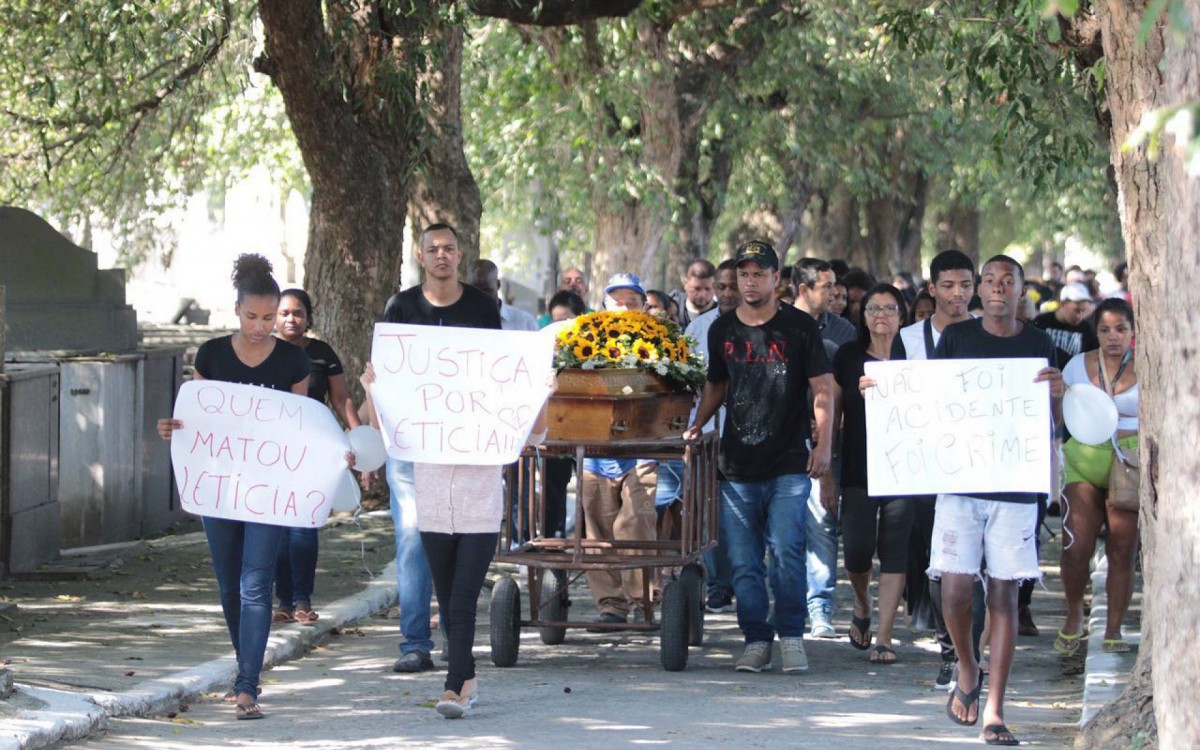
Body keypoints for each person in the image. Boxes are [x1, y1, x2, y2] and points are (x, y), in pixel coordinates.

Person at [156, 254, 348, 721]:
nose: (261, 327)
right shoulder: (211, 354)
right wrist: (172, 428)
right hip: (219, 487)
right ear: (237, 310)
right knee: (229, 588)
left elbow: (303, 427)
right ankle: (245, 667)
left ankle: (247, 686)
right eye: (251, 317)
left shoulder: (294, 360)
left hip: (270, 491)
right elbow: (197, 417)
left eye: (268, 317)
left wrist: (335, 453)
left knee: (256, 584)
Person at [926, 255, 1063, 746]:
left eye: (1008, 281)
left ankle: (996, 710)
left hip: (1016, 486)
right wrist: (881, 394)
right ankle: (968, 666)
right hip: (961, 483)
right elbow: (927, 401)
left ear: (1022, 290)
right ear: (978, 290)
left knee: (1004, 594)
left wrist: (1057, 394)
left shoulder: (1038, 342)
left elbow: (1051, 421)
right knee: (955, 590)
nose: (998, 288)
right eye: (990, 280)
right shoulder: (955, 339)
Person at [684, 240, 833, 674]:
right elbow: (716, 384)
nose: (750, 282)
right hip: (736, 466)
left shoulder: (799, 327)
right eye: (743, 274)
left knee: (787, 551)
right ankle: (755, 639)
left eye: (759, 274)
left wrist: (824, 446)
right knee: (744, 562)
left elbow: (823, 388)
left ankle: (791, 636)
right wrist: (698, 423)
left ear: (776, 278)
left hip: (788, 462)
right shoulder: (722, 329)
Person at [374, 222, 505, 716]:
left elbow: (499, 374)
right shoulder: (401, 307)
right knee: (418, 549)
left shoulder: (482, 308)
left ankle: (456, 681)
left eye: (450, 248)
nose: (442, 255)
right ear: (420, 255)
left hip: (473, 457)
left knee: (460, 593)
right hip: (420, 455)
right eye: (434, 249)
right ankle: (427, 650)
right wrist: (374, 388)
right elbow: (390, 378)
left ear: (460, 254)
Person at [892, 249, 986, 690]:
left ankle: (973, 654)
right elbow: (893, 393)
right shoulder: (908, 338)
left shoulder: (989, 332)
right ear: (932, 289)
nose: (957, 294)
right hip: (926, 464)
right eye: (948, 286)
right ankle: (950, 652)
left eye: (965, 285)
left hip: (980, 461)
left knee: (978, 565)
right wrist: (876, 389)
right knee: (941, 562)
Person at [272, 289, 363, 627]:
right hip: (271, 454)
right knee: (278, 529)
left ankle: (302, 600)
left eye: (298, 313)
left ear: (309, 317)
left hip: (313, 451)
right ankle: (282, 602)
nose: (291, 319)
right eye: (284, 313)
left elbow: (340, 399)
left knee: (304, 526)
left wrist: (359, 441)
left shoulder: (322, 354)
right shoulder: (264, 351)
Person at [832, 284, 913, 664]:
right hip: (858, 467)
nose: (881, 315)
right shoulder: (847, 357)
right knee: (857, 550)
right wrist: (825, 472)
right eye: (873, 308)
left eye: (889, 308)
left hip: (905, 470)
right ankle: (863, 603)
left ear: (902, 316)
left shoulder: (914, 357)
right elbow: (831, 415)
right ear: (862, 316)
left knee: (895, 552)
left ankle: (884, 636)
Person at [1056, 298, 1140, 656]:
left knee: (1123, 549)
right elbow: (1060, 414)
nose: (1113, 337)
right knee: (1076, 546)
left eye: (1121, 329)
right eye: (1104, 330)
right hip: (1084, 460)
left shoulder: (1148, 364)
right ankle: (1074, 614)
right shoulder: (1077, 365)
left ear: (1133, 331)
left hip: (1131, 461)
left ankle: (1114, 629)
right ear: (1096, 332)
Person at [581, 273, 659, 628]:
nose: (624, 308)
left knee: (637, 523)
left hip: (640, 452)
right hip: (595, 453)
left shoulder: (659, 344)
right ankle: (611, 604)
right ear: (604, 306)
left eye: (632, 302)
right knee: (597, 532)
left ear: (643, 307)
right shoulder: (583, 342)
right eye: (618, 302)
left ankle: (643, 600)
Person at [667, 259, 739, 613]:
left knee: (742, 514)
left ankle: (744, 577)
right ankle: (718, 584)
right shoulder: (698, 328)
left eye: (732, 287)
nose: (726, 294)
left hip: (751, 439)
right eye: (721, 287)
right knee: (708, 512)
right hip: (707, 435)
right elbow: (687, 384)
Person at [791, 257, 855, 639]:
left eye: (835, 285)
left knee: (822, 524)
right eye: (826, 286)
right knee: (783, 529)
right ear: (804, 289)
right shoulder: (778, 324)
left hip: (827, 442)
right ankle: (789, 607)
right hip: (784, 442)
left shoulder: (843, 330)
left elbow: (846, 387)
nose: (834, 292)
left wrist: (828, 432)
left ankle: (820, 608)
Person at [1033, 282, 1100, 365]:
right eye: (1076, 310)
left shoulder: (1087, 330)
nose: (1079, 315)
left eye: (1083, 310)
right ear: (1063, 304)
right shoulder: (1041, 322)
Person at [469, 259, 538, 331]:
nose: (481, 296)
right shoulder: (463, 320)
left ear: (498, 285)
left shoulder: (525, 322)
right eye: (475, 290)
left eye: (487, 290)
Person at [671, 259, 718, 329]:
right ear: (685, 284)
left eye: (707, 289)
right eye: (697, 289)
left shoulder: (723, 317)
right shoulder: (669, 308)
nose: (702, 295)